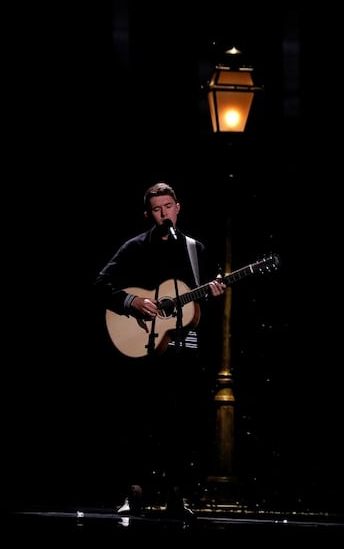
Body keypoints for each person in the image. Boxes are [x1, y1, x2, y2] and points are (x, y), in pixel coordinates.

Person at [93, 182, 227, 521]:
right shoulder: (136, 247)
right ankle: (134, 494)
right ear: (148, 213)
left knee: (182, 425)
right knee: (139, 422)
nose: (163, 213)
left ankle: (176, 498)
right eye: (157, 208)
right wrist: (132, 301)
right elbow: (100, 284)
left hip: (186, 344)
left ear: (178, 208)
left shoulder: (195, 249)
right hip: (145, 346)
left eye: (168, 206)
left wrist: (213, 291)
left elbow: (208, 290)